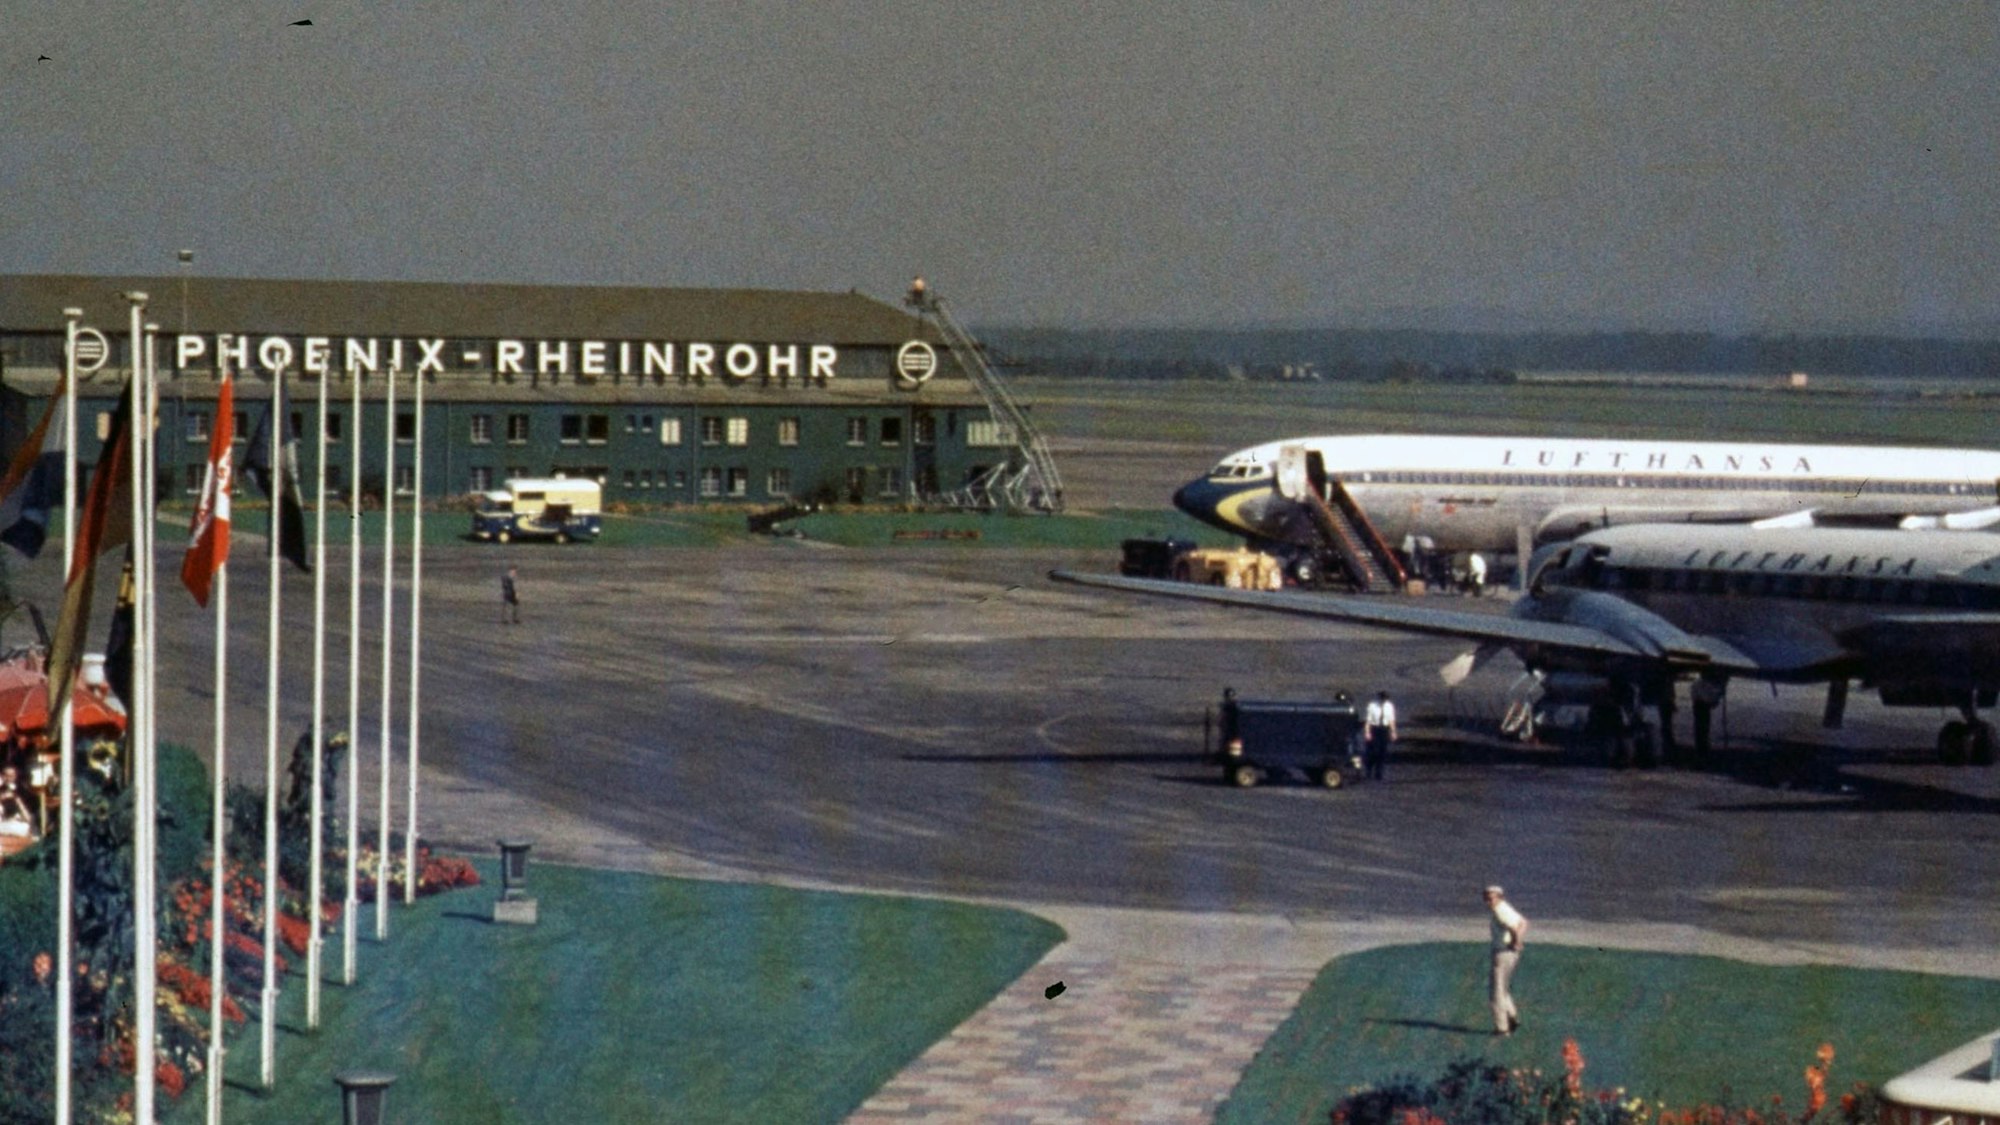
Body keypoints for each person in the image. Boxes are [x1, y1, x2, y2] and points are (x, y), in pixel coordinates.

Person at [1484, 885, 1528, 1036]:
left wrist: (1516, 942)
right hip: (1510, 953)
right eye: (1487, 899)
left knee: (1495, 992)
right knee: (1502, 988)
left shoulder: (1499, 912)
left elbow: (1515, 928)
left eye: (1492, 898)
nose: (1489, 902)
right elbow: (1523, 923)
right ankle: (1512, 1017)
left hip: (1503, 953)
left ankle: (1502, 1029)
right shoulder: (1505, 908)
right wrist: (1518, 944)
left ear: (1499, 897)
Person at [1363, 690, 1396, 780]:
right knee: (1373, 752)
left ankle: (1379, 773)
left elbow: (1391, 720)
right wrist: (1367, 732)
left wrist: (1393, 732)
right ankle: (1369, 771)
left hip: (1384, 730)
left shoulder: (1389, 706)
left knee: (1382, 752)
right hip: (1375, 729)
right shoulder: (1372, 706)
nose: (1384, 701)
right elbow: (1368, 721)